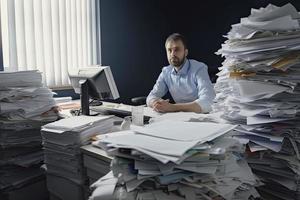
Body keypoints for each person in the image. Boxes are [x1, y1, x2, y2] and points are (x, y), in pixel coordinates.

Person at [146, 33, 215, 113]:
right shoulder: (166, 72)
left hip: (201, 116)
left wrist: (172, 107)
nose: (172, 54)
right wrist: (156, 104)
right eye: (169, 50)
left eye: (177, 49)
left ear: (185, 52)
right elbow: (151, 97)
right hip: (180, 116)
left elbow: (208, 101)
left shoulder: (199, 68)